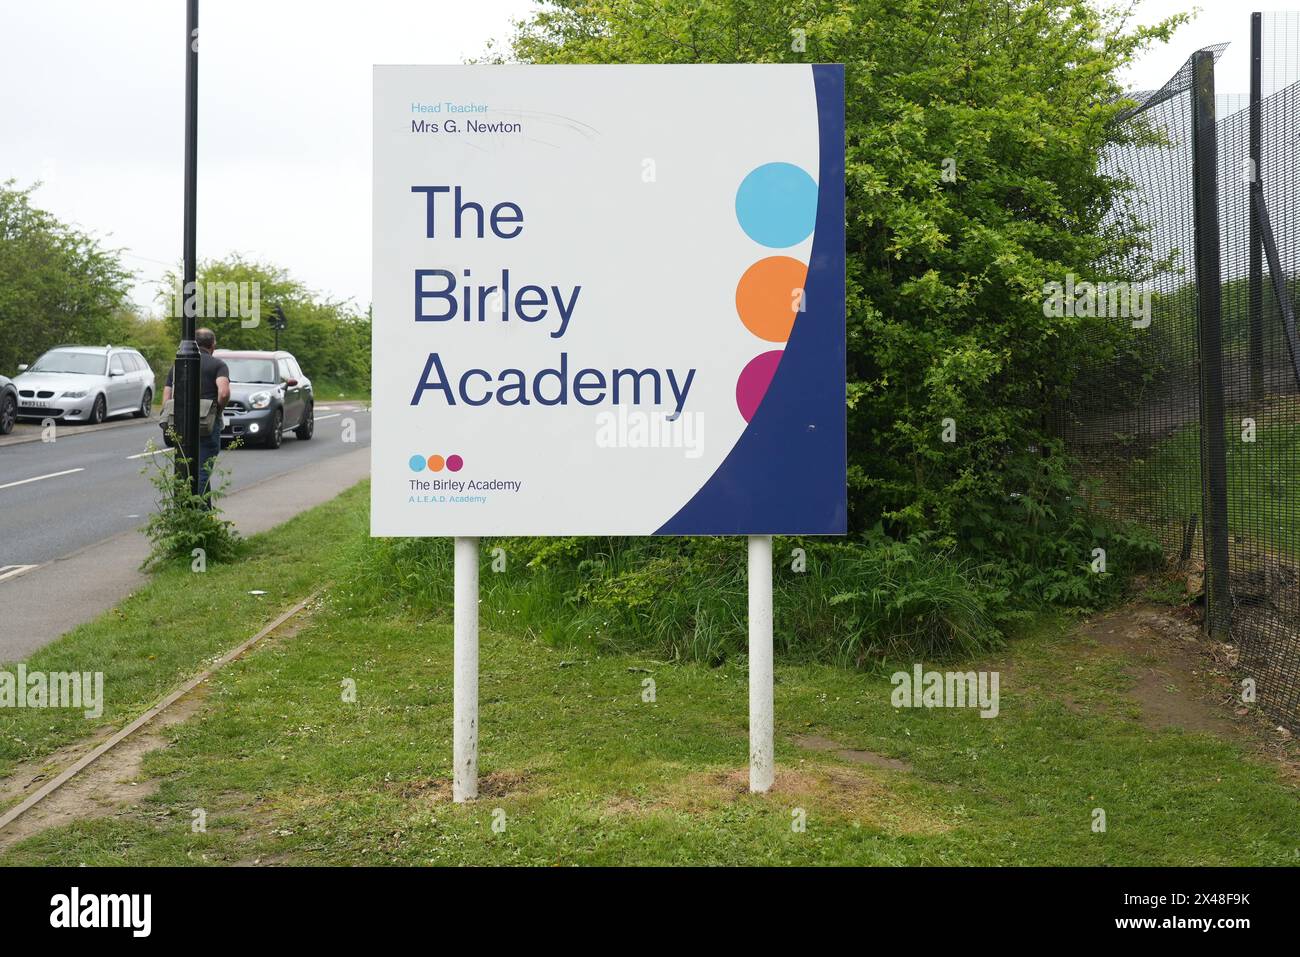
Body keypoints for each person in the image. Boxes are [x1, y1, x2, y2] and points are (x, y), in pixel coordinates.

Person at [163, 328, 231, 501]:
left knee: (185, 467)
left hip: (181, 424)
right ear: (212, 345)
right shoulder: (218, 365)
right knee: (203, 470)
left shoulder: (178, 364)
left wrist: (171, 416)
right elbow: (223, 392)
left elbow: (167, 394)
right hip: (206, 425)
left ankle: (204, 513)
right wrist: (217, 411)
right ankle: (197, 509)